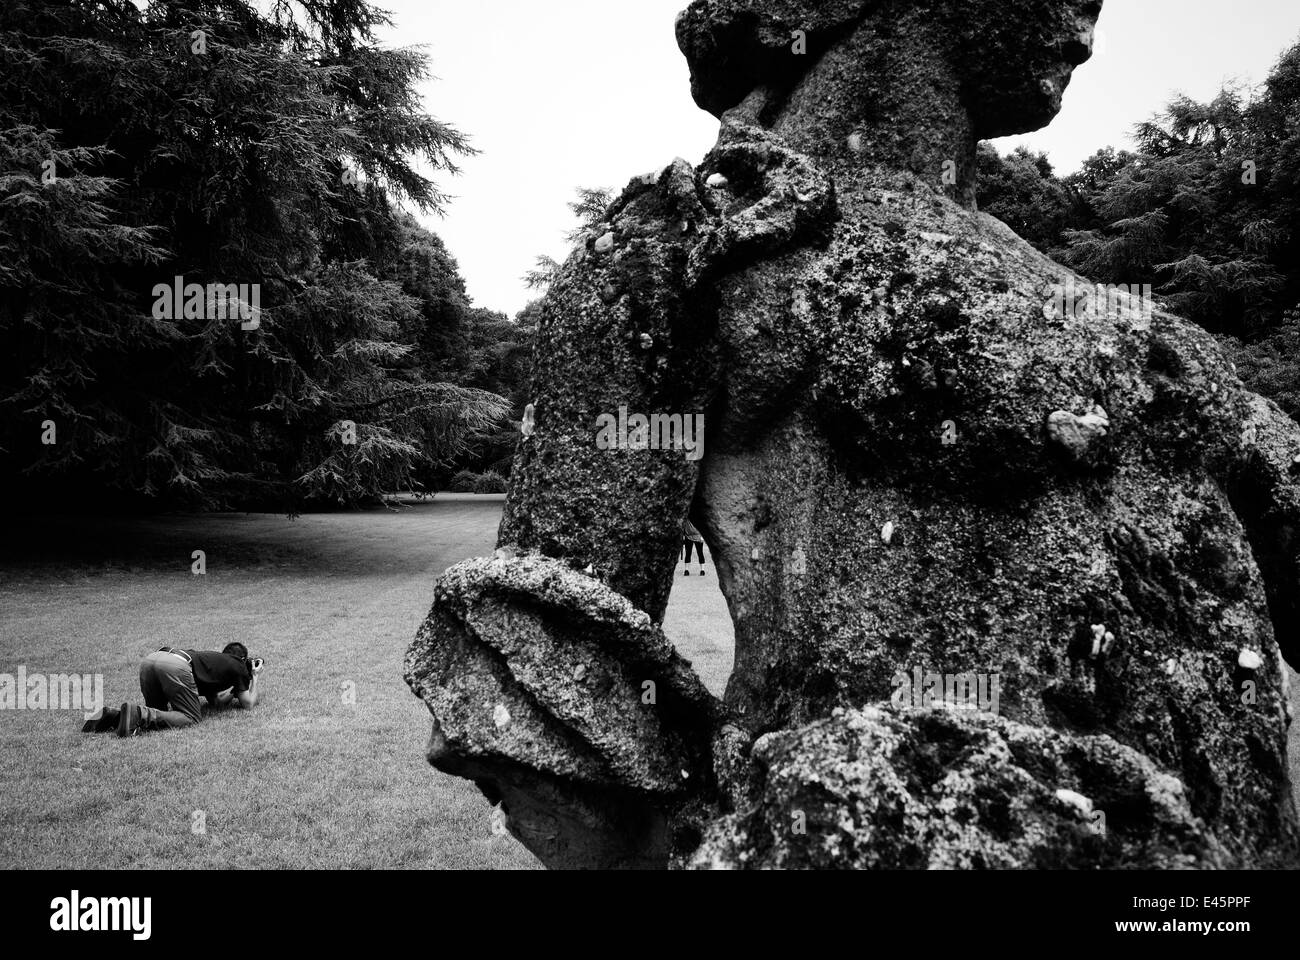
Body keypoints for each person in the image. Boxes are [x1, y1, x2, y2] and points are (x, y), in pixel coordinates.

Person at [81, 642, 262, 736]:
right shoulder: (238, 665)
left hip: (152, 659)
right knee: (191, 717)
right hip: (176, 666)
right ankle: (139, 714)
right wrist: (255, 676)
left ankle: (113, 716)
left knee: (158, 713)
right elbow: (248, 704)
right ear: (243, 658)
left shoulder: (213, 664)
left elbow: (217, 702)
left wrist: (232, 690)